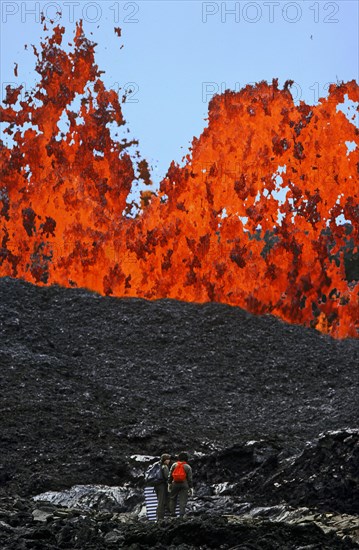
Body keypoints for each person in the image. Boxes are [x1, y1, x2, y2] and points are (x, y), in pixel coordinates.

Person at [168, 451, 193, 518]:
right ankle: (181, 514)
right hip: (184, 484)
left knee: (172, 498)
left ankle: (172, 514)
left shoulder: (174, 465)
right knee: (183, 499)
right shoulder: (188, 467)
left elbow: (170, 475)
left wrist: (169, 483)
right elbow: (190, 479)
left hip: (175, 483)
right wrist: (191, 487)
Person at [155, 453, 171, 521]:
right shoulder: (164, 466)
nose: (169, 461)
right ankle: (160, 518)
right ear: (165, 460)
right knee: (161, 502)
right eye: (168, 459)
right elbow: (167, 476)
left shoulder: (157, 465)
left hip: (156, 486)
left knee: (160, 501)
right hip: (161, 486)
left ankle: (160, 517)